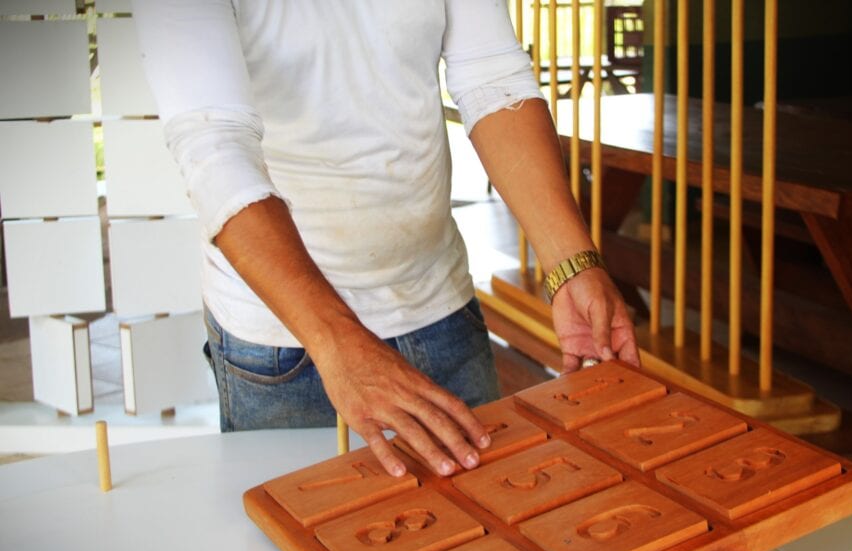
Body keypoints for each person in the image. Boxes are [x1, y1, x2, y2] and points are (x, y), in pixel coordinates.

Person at [132, 0, 639, 477]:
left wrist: (573, 263)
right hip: (286, 342)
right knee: (308, 539)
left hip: (442, 307)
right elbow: (215, 144)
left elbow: (492, 79)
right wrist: (336, 342)